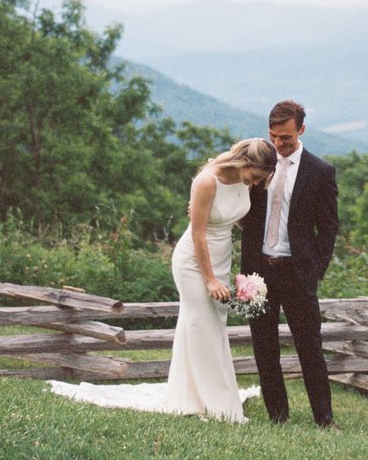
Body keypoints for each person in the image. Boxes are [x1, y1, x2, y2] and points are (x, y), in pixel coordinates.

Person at [47, 138, 277, 423]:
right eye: (254, 176)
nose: (254, 184)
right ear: (245, 161)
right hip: (194, 263)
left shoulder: (244, 182)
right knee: (200, 323)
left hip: (221, 258)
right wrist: (208, 280)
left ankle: (193, 394)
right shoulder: (207, 181)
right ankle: (214, 402)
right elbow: (198, 235)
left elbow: (233, 216)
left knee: (211, 325)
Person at [240, 100, 340, 429]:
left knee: (310, 348)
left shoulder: (320, 171)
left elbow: (328, 228)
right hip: (259, 270)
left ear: (301, 129)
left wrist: (315, 271)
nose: (279, 145)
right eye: (273, 137)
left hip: (298, 273)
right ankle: (278, 417)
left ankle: (324, 419)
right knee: (264, 347)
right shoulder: (259, 163)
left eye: (285, 137)